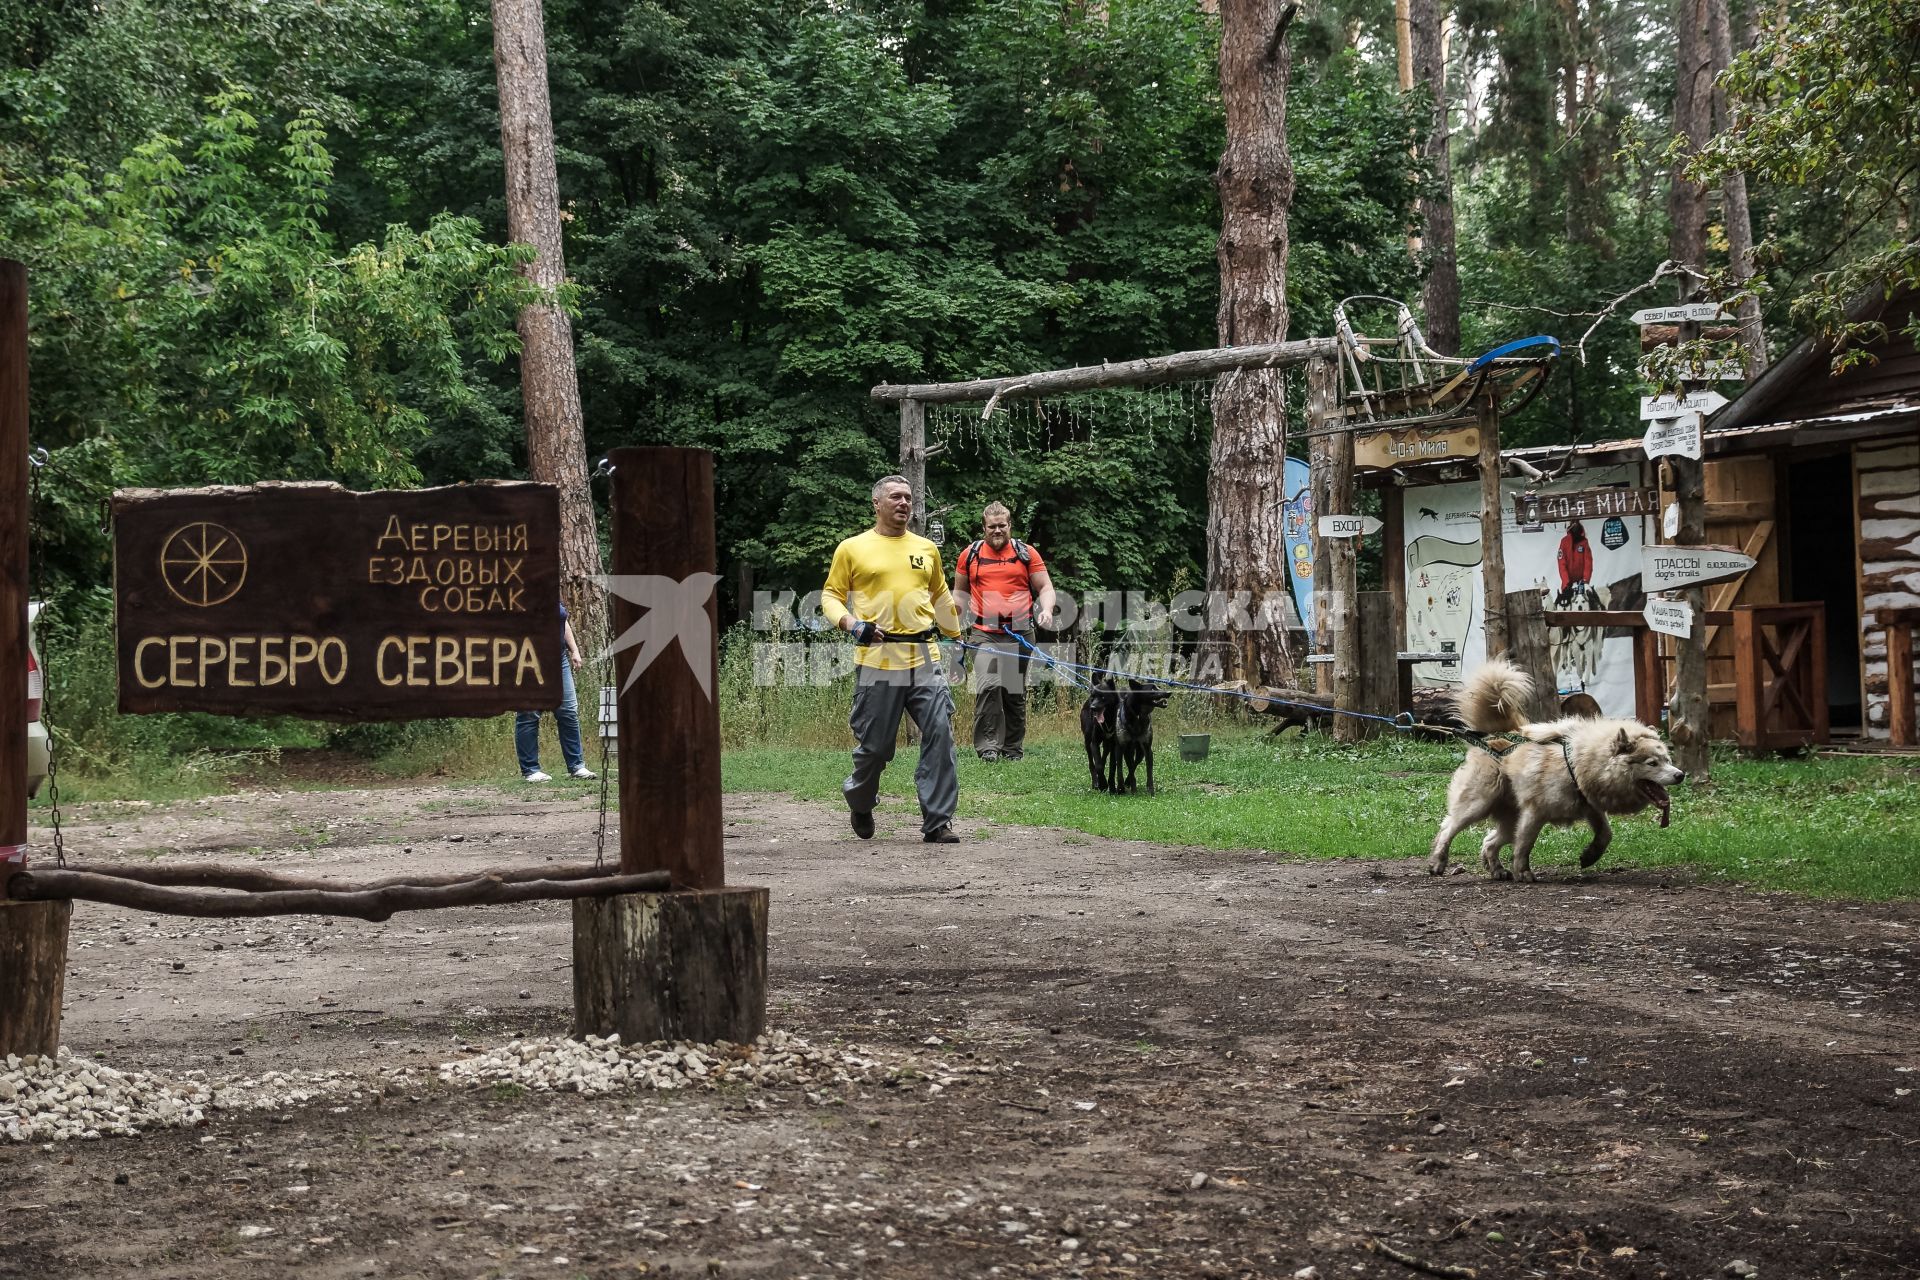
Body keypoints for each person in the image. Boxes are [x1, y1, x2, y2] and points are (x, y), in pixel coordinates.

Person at [821, 475, 965, 844]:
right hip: (878, 660)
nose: (904, 503)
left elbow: (941, 597)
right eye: (896, 497)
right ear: (877, 504)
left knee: (940, 734)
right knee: (876, 747)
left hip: (924, 657)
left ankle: (937, 821)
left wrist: (957, 640)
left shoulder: (926, 548)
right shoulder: (852, 548)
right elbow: (831, 597)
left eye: (908, 498)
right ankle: (861, 800)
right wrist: (853, 625)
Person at [954, 502, 1056, 761]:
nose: (997, 531)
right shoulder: (970, 555)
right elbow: (960, 594)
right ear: (983, 528)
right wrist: (952, 621)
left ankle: (1012, 749)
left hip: (1020, 630)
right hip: (983, 631)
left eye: (1002, 526)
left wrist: (1046, 610)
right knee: (989, 685)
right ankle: (988, 747)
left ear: (1010, 525)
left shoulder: (1026, 553)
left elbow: (1045, 587)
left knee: (1012, 690)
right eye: (992, 527)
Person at [516, 603, 596, 783]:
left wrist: (574, 650)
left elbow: (562, 621)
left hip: (559, 660)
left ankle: (577, 766)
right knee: (529, 713)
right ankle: (531, 770)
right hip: (528, 659)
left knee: (568, 711)